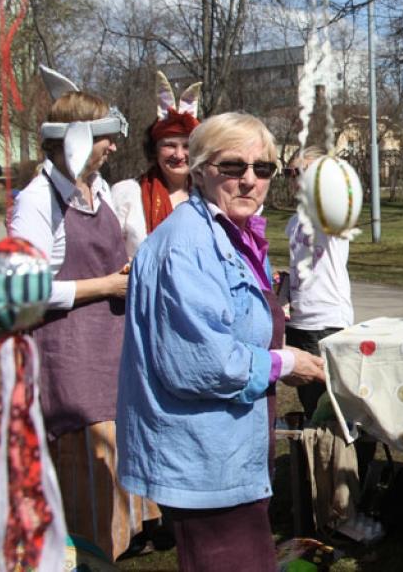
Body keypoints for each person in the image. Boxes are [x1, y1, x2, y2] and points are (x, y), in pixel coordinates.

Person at [116, 112, 326, 572]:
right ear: (199, 169)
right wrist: (284, 362)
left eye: (263, 168)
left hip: (228, 454)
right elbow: (201, 363)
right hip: (203, 461)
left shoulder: (227, 234)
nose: (249, 180)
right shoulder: (187, 245)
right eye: (232, 167)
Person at [9, 65, 146, 560]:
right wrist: (106, 284)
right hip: (68, 357)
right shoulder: (36, 200)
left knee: (111, 460)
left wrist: (123, 271)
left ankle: (108, 551)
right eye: (105, 138)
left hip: (109, 350)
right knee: (83, 467)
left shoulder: (100, 189)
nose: (112, 147)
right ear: (78, 140)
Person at [283, 145, 353, 419]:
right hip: (299, 322)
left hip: (327, 322)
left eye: (305, 173)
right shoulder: (293, 222)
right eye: (292, 173)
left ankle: (348, 459)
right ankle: (318, 459)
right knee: (311, 403)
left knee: (334, 405)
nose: (297, 179)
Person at [112, 71, 201, 258]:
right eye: (169, 145)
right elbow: (108, 257)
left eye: (187, 146)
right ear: (154, 149)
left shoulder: (207, 195)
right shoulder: (127, 193)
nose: (179, 154)